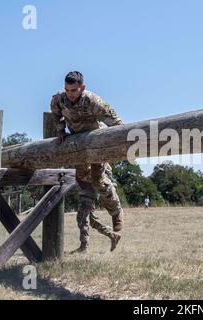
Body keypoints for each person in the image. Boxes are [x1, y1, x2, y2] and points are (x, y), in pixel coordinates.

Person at [50, 71, 124, 253]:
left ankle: (116, 212)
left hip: (96, 145)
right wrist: (60, 129)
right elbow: (55, 113)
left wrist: (118, 144)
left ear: (82, 87)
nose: (70, 94)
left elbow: (116, 122)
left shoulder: (92, 101)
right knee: (83, 182)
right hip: (78, 149)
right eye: (67, 90)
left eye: (74, 90)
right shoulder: (59, 99)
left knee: (99, 181)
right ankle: (85, 245)